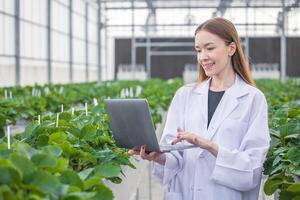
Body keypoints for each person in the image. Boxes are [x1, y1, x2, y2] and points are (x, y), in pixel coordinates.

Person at [128, 17, 270, 200]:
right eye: (198, 50)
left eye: (210, 48)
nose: (203, 57)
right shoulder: (184, 95)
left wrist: (209, 146)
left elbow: (252, 166)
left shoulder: (253, 99)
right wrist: (158, 157)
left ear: (231, 49)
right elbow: (175, 156)